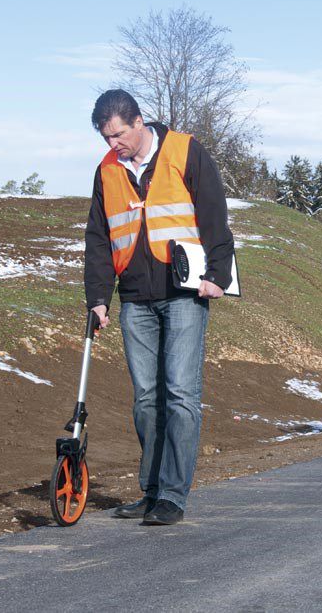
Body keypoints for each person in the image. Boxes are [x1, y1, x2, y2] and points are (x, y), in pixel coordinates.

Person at [84, 89, 234, 525]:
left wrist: (218, 276)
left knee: (181, 394)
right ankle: (150, 491)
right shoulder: (107, 171)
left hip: (186, 292)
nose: (114, 144)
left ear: (139, 121)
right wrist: (98, 297)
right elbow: (98, 238)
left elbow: (213, 215)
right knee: (146, 399)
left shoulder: (185, 151)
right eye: (106, 137)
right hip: (135, 297)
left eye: (119, 134)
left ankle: (172, 494)